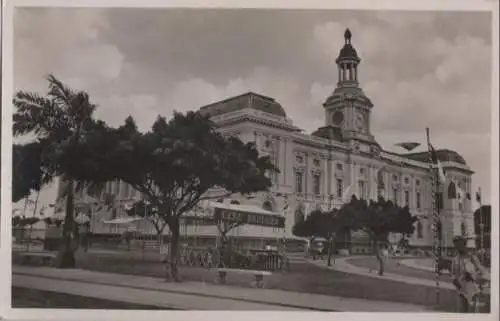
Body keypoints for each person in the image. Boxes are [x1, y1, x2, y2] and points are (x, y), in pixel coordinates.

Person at [451, 235, 487, 313]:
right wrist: (459, 285)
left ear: (464, 244)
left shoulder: (471, 257)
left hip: (472, 291)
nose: (457, 246)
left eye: (459, 244)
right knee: (461, 313)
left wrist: (474, 277)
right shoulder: (455, 259)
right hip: (461, 292)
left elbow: (481, 270)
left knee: (472, 313)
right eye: (455, 244)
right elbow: (453, 276)